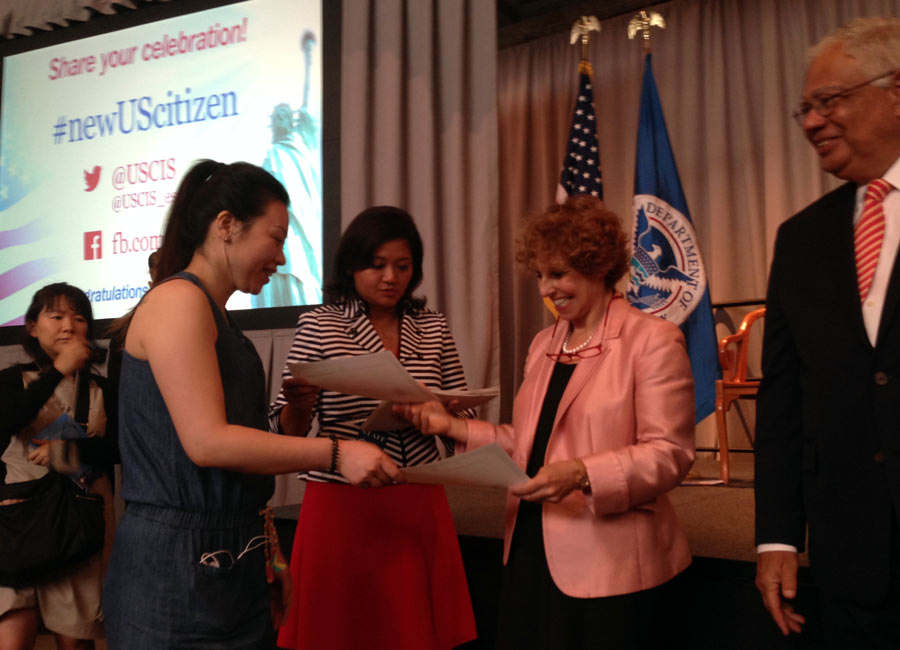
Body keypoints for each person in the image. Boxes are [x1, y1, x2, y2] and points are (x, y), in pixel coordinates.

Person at [101, 160, 400, 649]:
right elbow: (207, 444)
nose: (281, 258)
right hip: (175, 573)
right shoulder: (179, 302)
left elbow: (233, 464)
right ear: (226, 226)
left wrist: (270, 553)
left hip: (232, 558)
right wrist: (337, 453)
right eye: (276, 237)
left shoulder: (217, 315)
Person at [397, 195, 695, 650]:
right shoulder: (543, 344)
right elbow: (530, 445)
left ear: (596, 266)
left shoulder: (652, 340)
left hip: (611, 567)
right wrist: (450, 426)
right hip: (530, 550)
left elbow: (669, 454)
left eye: (557, 274)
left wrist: (581, 474)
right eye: (540, 275)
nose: (543, 289)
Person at [754, 17, 900, 648]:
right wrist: (778, 535)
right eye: (805, 109)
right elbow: (783, 398)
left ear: (896, 91)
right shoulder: (800, 237)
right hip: (853, 566)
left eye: (830, 101)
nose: (813, 122)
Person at [271, 206, 477, 650]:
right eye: (377, 265)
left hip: (416, 493)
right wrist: (298, 407)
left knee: (412, 630)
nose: (390, 277)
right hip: (342, 497)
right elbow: (284, 431)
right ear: (351, 266)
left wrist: (439, 416)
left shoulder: (433, 326)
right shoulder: (320, 323)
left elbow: (465, 418)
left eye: (402, 267)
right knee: (339, 629)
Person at [0, 283, 118, 650]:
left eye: (79, 317)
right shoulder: (10, 380)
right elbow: (8, 420)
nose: (69, 325)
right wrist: (57, 371)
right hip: (16, 526)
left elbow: (122, 449)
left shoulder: (103, 388)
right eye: (56, 316)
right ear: (33, 326)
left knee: (75, 640)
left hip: (77, 528)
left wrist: (69, 451)